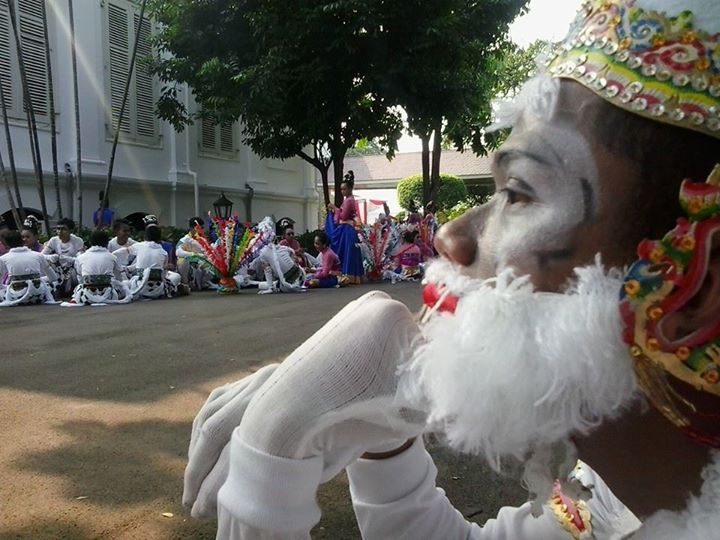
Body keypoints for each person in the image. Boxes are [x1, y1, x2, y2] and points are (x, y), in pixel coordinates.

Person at [182, 1, 720, 538]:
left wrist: (266, 478)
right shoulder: (613, 498)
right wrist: (386, 442)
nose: (452, 237)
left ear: (695, 289)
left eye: (518, 193)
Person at [65, 230, 131, 306]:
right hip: (110, 296)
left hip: (85, 296)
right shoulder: (112, 257)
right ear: (107, 243)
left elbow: (80, 277)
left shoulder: (80, 257)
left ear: (90, 243)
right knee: (126, 284)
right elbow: (119, 278)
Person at [122, 225, 183, 299]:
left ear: (146, 236)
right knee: (176, 277)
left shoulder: (139, 246)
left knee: (124, 283)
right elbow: (163, 275)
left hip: (138, 288)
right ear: (159, 238)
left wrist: (112, 256)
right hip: (158, 291)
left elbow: (123, 251)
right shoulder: (163, 252)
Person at [325, 170, 364, 284]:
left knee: (347, 252)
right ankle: (353, 276)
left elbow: (342, 216)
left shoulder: (349, 201)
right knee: (349, 252)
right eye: (341, 189)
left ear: (350, 189)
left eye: (344, 189)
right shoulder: (349, 199)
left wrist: (334, 207)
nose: (342, 191)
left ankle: (348, 275)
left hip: (347, 230)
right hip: (348, 229)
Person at [0, 230, 57, 306]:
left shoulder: (3, 258)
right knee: (50, 285)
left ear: (7, 244)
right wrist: (37, 279)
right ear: (22, 241)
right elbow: (53, 278)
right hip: (39, 295)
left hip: (16, 296)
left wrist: (7, 286)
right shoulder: (38, 255)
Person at [42, 217, 85, 297]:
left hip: (73, 271)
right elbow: (41, 256)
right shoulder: (53, 240)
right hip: (57, 270)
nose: (60, 232)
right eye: (58, 229)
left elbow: (82, 259)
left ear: (71, 231)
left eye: (63, 229)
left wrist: (69, 259)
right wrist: (51, 257)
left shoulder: (78, 241)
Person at [177, 217, 214, 291]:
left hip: (201, 265)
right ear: (191, 228)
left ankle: (204, 283)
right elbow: (178, 252)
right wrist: (194, 254)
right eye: (199, 228)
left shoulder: (203, 240)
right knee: (181, 261)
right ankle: (186, 284)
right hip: (189, 265)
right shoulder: (185, 240)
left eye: (202, 228)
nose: (201, 230)